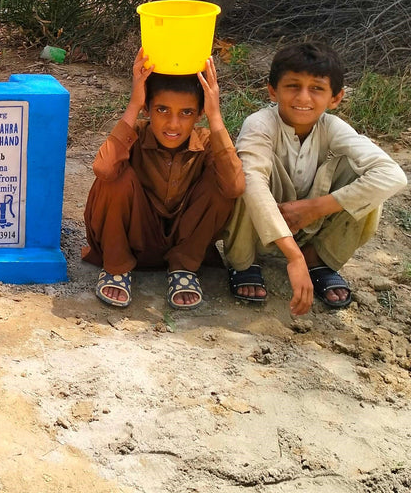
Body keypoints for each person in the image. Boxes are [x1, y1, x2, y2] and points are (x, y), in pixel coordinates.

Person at [221, 41, 406, 314]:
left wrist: (316, 208)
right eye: (293, 86)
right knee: (245, 176)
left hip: (309, 228)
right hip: (259, 231)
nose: (303, 98)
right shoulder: (260, 123)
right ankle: (245, 263)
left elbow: (394, 176)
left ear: (336, 98)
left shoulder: (332, 127)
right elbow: (254, 185)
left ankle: (316, 259)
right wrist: (291, 257)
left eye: (317, 89)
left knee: (369, 183)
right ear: (273, 90)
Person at [82, 49, 243, 309]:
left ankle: (183, 269)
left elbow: (235, 186)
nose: (173, 124)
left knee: (221, 185)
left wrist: (216, 118)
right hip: (135, 238)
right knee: (114, 178)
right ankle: (117, 266)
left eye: (187, 113)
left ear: (200, 113)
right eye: (162, 109)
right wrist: (133, 104)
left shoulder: (206, 142)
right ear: (148, 108)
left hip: (184, 242)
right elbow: (102, 169)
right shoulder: (133, 136)